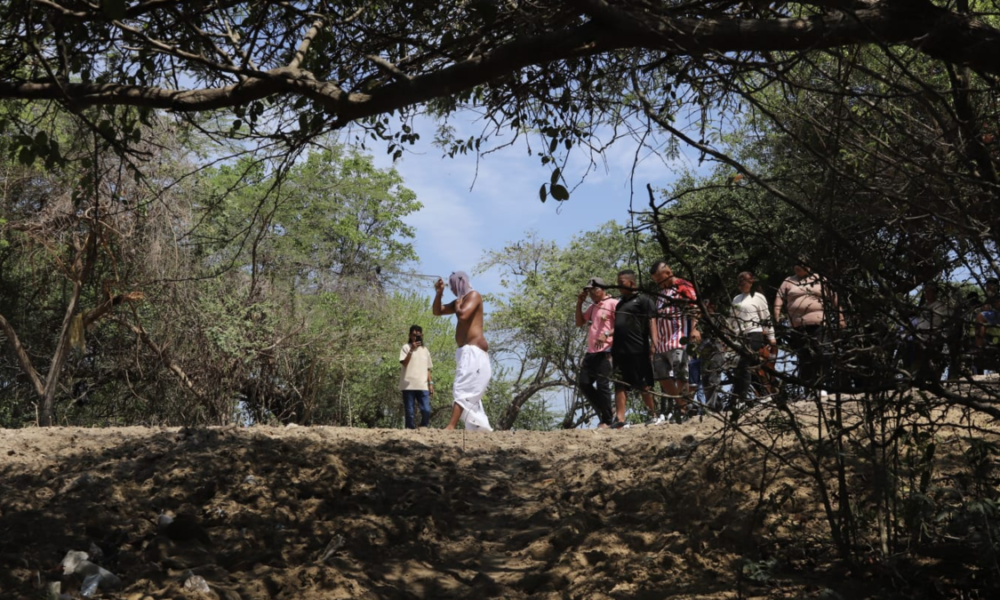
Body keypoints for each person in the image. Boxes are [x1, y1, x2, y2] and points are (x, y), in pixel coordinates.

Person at [773, 256, 845, 398]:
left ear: (809, 266)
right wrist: (776, 316)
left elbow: (834, 297)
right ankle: (809, 389)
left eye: (801, 264)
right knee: (804, 356)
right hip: (798, 326)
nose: (797, 267)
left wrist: (840, 317)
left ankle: (823, 385)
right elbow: (779, 298)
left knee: (823, 353)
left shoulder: (819, 279)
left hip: (819, 323)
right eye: (796, 264)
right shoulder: (788, 281)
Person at [433, 271, 493, 431]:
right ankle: (479, 428)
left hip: (474, 352)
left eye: (453, 286)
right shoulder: (460, 300)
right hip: (465, 352)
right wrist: (439, 293)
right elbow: (437, 311)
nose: (453, 290)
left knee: (462, 387)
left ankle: (451, 426)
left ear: (460, 283)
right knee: (466, 388)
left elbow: (464, 315)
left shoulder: (474, 296)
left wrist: (458, 304)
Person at [650, 261, 700, 423]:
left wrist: (694, 329)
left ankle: (684, 409)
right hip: (662, 342)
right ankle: (682, 405)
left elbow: (694, 307)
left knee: (681, 374)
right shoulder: (661, 293)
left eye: (659, 279)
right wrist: (654, 342)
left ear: (668, 272)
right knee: (662, 375)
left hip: (678, 338)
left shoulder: (682, 286)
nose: (658, 283)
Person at [609, 269, 659, 427]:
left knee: (643, 384)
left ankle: (653, 414)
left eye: (621, 283)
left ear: (631, 283)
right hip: (619, 351)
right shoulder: (620, 304)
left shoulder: (644, 300)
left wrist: (654, 343)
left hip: (638, 349)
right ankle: (620, 420)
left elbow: (652, 321)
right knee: (619, 383)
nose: (619, 286)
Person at [575, 277, 617, 428]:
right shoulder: (593, 307)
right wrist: (579, 302)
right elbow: (579, 322)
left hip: (606, 351)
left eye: (593, 290)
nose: (591, 294)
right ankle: (607, 411)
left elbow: (623, 324)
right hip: (591, 351)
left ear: (601, 289)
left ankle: (606, 420)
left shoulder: (613, 303)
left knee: (602, 385)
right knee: (584, 383)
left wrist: (606, 334)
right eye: (589, 291)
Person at [731, 272, 777, 405]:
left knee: (744, 364)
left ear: (751, 282)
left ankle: (742, 398)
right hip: (740, 337)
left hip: (754, 333)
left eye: (744, 281)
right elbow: (733, 320)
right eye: (739, 282)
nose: (741, 285)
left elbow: (765, 317)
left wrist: (771, 337)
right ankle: (765, 394)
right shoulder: (736, 299)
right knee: (751, 366)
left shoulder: (758, 297)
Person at [909, 281, 951, 381]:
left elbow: (947, 320)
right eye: (925, 291)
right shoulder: (923, 307)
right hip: (921, 338)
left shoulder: (940, 306)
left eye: (929, 291)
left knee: (935, 361)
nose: (927, 294)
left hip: (933, 338)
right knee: (919, 361)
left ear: (935, 292)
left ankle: (936, 382)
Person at [399, 325, 434, 429]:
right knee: (409, 412)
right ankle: (409, 431)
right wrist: (411, 350)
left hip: (422, 385)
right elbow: (404, 363)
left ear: (422, 336)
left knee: (426, 410)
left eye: (418, 335)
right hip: (408, 385)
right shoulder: (405, 347)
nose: (415, 337)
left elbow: (428, 368)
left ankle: (423, 427)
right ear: (409, 335)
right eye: (413, 335)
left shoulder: (425, 350)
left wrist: (430, 383)